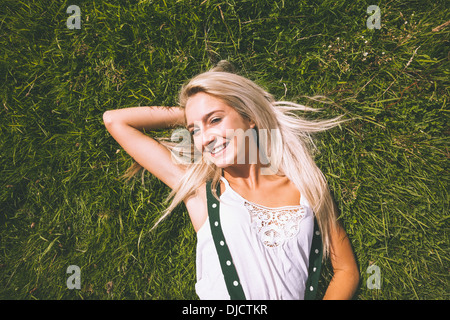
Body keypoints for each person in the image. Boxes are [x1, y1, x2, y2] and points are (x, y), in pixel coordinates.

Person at [102, 61, 359, 300]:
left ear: (250, 118)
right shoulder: (202, 193)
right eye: (195, 131)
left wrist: (201, 115)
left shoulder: (307, 186)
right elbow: (115, 120)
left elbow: (346, 270)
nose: (206, 138)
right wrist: (191, 113)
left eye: (215, 120)